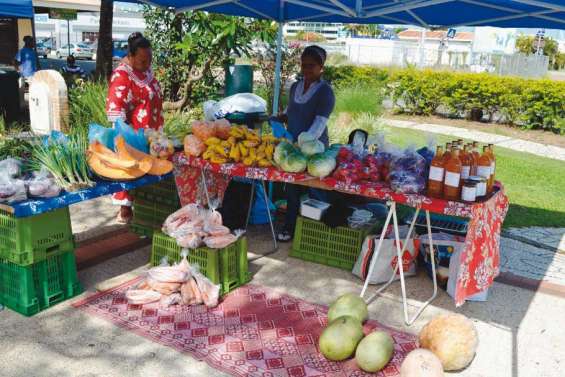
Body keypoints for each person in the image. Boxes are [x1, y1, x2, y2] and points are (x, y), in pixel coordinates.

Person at [275, 45, 335, 242]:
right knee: (291, 189)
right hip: (294, 148)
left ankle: (319, 230)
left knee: (315, 189)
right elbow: (292, 113)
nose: (306, 69)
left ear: (321, 67)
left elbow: (319, 123)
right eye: (303, 65)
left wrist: (303, 144)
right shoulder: (295, 87)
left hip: (314, 148)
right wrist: (280, 118)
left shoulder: (325, 92)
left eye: (311, 66)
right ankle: (290, 226)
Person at [106, 32, 164, 223]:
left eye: (149, 60)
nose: (146, 64)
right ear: (130, 56)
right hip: (135, 135)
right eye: (141, 61)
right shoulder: (122, 75)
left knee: (149, 169)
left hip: (152, 130)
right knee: (131, 171)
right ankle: (125, 209)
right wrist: (124, 135)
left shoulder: (146, 71)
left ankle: (146, 206)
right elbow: (115, 107)